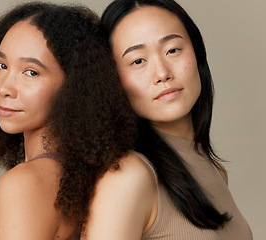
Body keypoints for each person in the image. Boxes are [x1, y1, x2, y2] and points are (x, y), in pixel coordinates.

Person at [0, 2, 138, 240]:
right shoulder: (75, 178)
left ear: (74, 89)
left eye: (31, 72)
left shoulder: (25, 184)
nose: (4, 88)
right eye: (2, 65)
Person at [82, 0, 253, 239]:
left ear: (197, 53)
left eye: (172, 50)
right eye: (138, 61)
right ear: (113, 80)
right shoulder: (128, 176)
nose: (162, 73)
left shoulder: (214, 169)